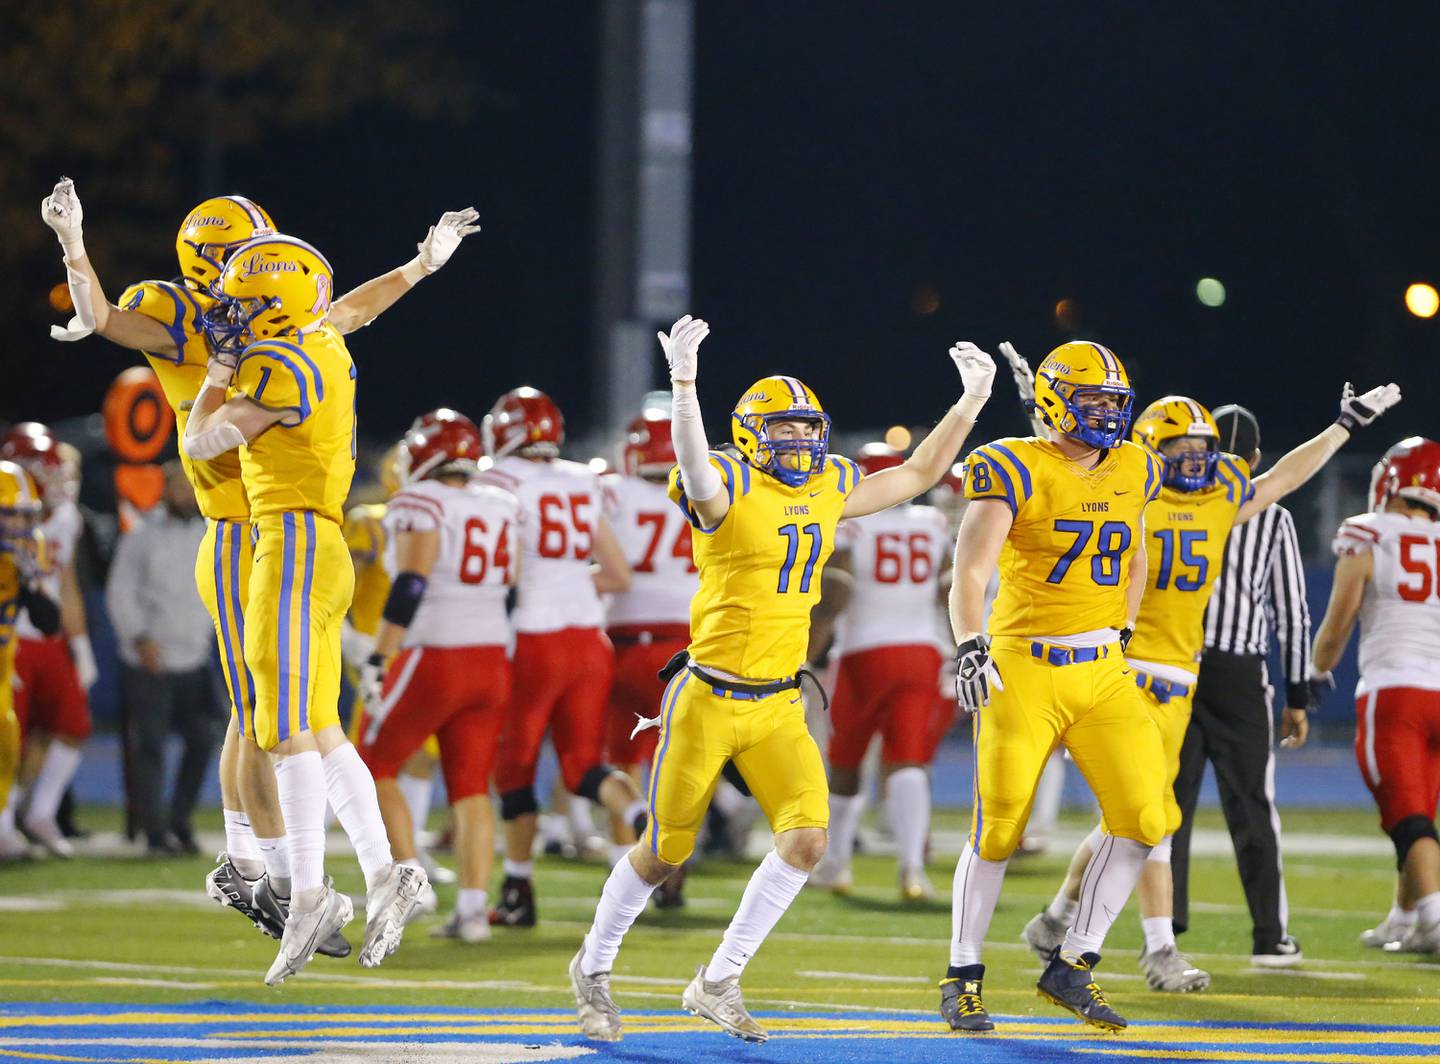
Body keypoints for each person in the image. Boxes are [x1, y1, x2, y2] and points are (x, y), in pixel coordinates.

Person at [39, 178, 477, 941]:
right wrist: (76, 253)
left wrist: (419, 267)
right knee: (267, 719)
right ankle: (274, 877)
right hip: (244, 527)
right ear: (208, 263)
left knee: (280, 719)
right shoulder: (186, 314)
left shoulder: (272, 324)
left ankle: (269, 870)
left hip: (281, 526)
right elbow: (107, 318)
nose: (252, 266)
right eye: (238, 256)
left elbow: (344, 312)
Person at [568, 314, 995, 1044]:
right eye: (784, 429)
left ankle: (718, 978)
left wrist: (971, 402)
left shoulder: (829, 481)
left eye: (806, 428)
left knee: (806, 842)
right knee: (665, 851)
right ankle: (593, 969)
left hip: (778, 704)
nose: (799, 441)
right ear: (751, 435)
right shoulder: (727, 478)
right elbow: (698, 470)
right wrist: (684, 384)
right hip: (705, 698)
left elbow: (920, 473)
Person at [1021, 385, 1400, 992]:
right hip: (1122, 672)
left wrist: (1343, 428)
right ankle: (1158, 949)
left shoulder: (1221, 495)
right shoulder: (1124, 495)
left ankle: (1056, 918)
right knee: (1153, 816)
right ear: (1150, 447)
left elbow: (1281, 479)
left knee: (1139, 814)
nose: (1197, 457)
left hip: (1182, 676)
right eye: (1182, 445)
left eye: (1203, 445)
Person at [182, 232, 427, 984]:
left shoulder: (279, 360)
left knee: (282, 727)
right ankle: (390, 871)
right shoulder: (320, 339)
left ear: (279, 303)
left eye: (248, 301)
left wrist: (219, 368)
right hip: (320, 546)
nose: (234, 313)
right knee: (320, 727)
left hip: (285, 544)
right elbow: (356, 306)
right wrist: (419, 264)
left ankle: (311, 894)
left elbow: (201, 443)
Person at [1169, 404, 1325, 966]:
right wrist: (1299, 695)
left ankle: (1163, 928)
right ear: (1256, 459)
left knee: (1166, 805)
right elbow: (1293, 613)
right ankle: (1269, 937)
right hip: (1239, 671)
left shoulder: (1166, 495)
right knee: (1253, 803)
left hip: (1174, 664)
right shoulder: (1272, 515)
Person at [480, 387, 638, 927]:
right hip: (591, 643)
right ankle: (636, 820)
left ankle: (518, 888)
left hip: (534, 638)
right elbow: (617, 575)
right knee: (584, 765)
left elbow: (504, 571)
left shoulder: (497, 481)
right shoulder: (582, 480)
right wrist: (570, 577)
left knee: (517, 766)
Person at [358, 412, 518, 943]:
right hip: (491, 655)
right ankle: (473, 913)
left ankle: (412, 880)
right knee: (470, 785)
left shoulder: (420, 502)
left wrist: (379, 658)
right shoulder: (499, 502)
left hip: (437, 654)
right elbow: (511, 577)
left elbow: (410, 584)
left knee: (370, 764)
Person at [1312, 436, 1440, 954]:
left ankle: (1433, 919)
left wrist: (1315, 673)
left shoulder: (1368, 533)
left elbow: (1339, 621)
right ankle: (1402, 918)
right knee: (1419, 814)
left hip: (1395, 690)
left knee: (1405, 813)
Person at [810, 441, 950, 901]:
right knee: (908, 760)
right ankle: (912, 869)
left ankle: (836, 866)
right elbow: (946, 587)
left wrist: (812, 645)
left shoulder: (851, 525)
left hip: (864, 653)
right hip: (922, 650)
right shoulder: (932, 523)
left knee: (846, 763)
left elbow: (838, 591)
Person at [600, 407, 700, 905]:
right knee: (683, 759)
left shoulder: (613, 491)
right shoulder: (703, 492)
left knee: (620, 759)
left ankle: (633, 873)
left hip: (626, 644)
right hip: (691, 646)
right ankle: (677, 847)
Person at [106, 460, 221, 855]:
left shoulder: (212, 533)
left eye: (192, 486)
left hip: (196, 657)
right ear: (165, 489)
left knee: (203, 740)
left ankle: (180, 822)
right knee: (150, 747)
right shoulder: (142, 533)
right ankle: (154, 832)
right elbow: (120, 591)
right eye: (180, 486)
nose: (187, 493)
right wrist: (139, 638)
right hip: (150, 658)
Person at [1, 423, 96, 859]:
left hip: (31, 642)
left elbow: (58, 596)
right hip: (11, 646)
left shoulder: (45, 532)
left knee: (63, 725)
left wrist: (80, 646)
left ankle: (29, 815)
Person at [0, 463, 63, 857]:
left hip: (2, 674)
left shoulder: (29, 549)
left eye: (26, 513)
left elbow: (48, 622)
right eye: (10, 513)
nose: (20, 523)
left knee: (8, 745)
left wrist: (28, 583)